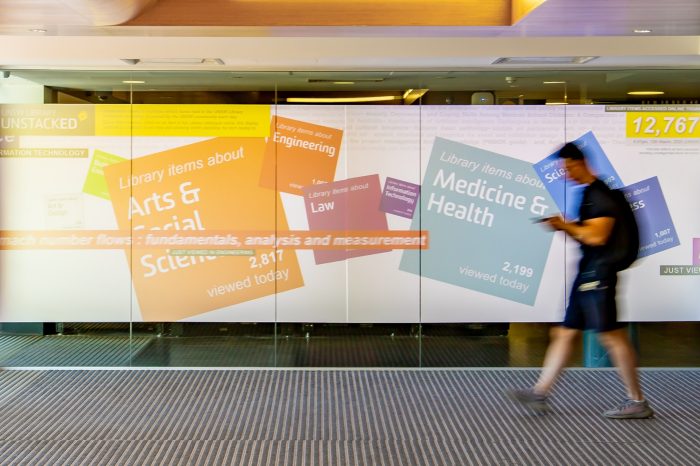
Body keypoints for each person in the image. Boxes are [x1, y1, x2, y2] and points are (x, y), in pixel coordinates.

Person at [507, 142, 653, 419]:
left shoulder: (600, 196)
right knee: (564, 332)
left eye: (567, 168)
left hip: (599, 276)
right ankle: (540, 392)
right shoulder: (589, 195)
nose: (565, 174)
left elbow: (596, 236)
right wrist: (565, 227)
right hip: (587, 273)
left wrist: (563, 225)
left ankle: (637, 401)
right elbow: (587, 233)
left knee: (612, 336)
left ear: (579, 163)